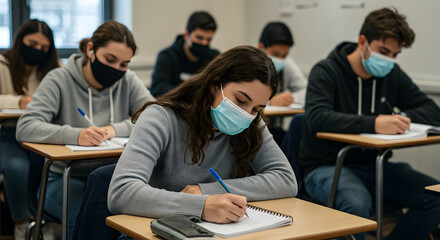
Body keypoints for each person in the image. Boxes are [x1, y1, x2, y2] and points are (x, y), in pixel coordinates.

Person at [108, 46, 297, 223]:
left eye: (257, 108)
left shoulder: (251, 124)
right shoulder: (161, 118)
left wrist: (205, 191)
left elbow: (286, 179)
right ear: (215, 85)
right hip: (157, 229)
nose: (246, 114)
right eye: (240, 100)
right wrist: (202, 206)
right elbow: (122, 192)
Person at [299, 8, 440, 240]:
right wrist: (374, 124)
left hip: (376, 164)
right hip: (327, 166)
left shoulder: (392, 74)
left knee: (434, 196)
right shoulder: (326, 71)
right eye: (383, 51)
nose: (389, 61)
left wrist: (401, 117)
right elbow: (317, 117)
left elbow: (433, 111)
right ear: (362, 42)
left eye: (395, 55)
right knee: (356, 204)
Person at [16, 21, 155, 238]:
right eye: (110, 60)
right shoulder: (58, 79)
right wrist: (76, 135)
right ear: (91, 50)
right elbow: (26, 126)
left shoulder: (127, 80)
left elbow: (154, 117)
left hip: (112, 178)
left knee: (130, 225)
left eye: (124, 64)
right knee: (90, 218)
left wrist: (114, 129)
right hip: (65, 179)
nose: (116, 69)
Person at [0, 19, 59, 239]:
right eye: (32, 43)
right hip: (7, 134)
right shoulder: (3, 64)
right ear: (20, 40)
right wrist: (19, 102)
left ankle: (46, 220)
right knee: (17, 167)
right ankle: (21, 225)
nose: (38, 51)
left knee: (50, 165)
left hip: (41, 134)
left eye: (43, 48)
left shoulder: (52, 71)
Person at [257, 22, 308, 145]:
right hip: (251, 130)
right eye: (275, 54)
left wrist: (289, 98)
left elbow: (307, 90)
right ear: (261, 47)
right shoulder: (249, 63)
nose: (280, 59)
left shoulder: (287, 64)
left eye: (284, 55)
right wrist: (270, 102)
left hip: (275, 130)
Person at [150, 11, 220, 97]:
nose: (204, 43)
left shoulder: (214, 58)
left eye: (208, 40)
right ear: (187, 35)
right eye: (199, 38)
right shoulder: (167, 56)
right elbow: (158, 89)